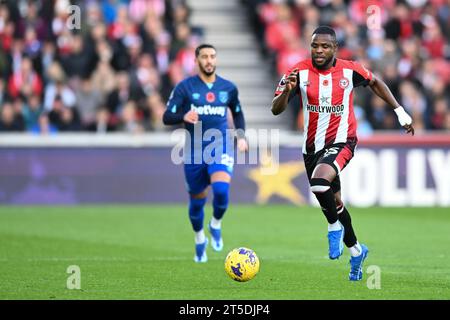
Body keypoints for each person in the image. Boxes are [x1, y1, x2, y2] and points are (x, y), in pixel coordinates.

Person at [271, 26, 414, 281]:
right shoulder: (298, 72)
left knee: (318, 183)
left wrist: (399, 111)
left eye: (325, 46)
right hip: (312, 148)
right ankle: (357, 251)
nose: (319, 51)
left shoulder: (350, 69)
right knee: (334, 203)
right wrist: (287, 90)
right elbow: (276, 109)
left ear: (335, 48)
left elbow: (376, 82)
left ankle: (333, 227)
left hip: (343, 141)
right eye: (315, 46)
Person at [163, 44, 248, 263]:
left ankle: (216, 224)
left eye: (212, 56)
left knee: (221, 190)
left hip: (220, 146)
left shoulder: (228, 88)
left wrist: (241, 137)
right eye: (204, 57)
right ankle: (200, 237)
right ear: (196, 60)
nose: (209, 60)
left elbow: (237, 114)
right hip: (194, 151)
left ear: (216, 60)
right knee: (197, 201)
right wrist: (183, 116)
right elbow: (166, 117)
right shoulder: (185, 87)